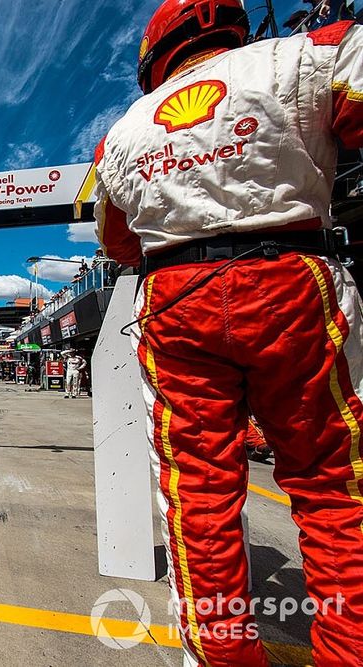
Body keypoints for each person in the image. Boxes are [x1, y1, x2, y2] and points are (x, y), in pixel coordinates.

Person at [93, 1, 363, 663]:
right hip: (295, 279)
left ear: (154, 56)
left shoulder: (120, 133)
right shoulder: (316, 49)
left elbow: (117, 240)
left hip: (176, 301)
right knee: (338, 486)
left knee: (199, 498)